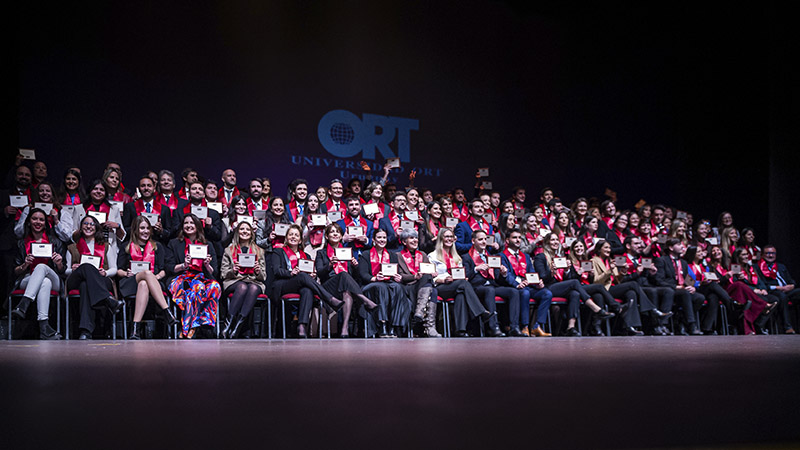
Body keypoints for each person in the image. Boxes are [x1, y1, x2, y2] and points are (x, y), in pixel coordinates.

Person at [271, 224, 343, 338]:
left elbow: (310, 274)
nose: (293, 237)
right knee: (303, 277)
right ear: (286, 238)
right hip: (283, 284)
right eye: (291, 235)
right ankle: (328, 298)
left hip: (300, 285)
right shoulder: (278, 252)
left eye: (296, 235)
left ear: (300, 240)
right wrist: (290, 273)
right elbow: (276, 271)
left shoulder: (307, 255)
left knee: (307, 290)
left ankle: (302, 325)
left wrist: (313, 275)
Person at [538, 233, 613, 336]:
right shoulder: (541, 257)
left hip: (561, 287)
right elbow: (542, 277)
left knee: (575, 293)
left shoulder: (561, 258)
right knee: (575, 283)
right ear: (546, 243)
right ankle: (595, 308)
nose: (555, 242)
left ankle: (571, 327)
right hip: (548, 288)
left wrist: (567, 271)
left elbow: (566, 279)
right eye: (552, 240)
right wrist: (551, 272)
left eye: (557, 240)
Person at [65, 214, 125, 339]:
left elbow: (114, 268)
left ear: (97, 228)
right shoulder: (72, 247)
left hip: (101, 279)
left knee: (85, 285)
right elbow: (65, 271)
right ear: (80, 228)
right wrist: (73, 269)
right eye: (85, 223)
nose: (88, 226)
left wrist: (105, 272)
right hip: (76, 278)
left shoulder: (106, 246)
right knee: (85, 267)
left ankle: (85, 331)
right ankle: (108, 299)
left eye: (92, 224)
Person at [117, 216, 176, 339]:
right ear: (135, 230)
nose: (145, 231)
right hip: (130, 281)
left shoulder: (158, 246)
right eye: (142, 228)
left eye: (148, 228)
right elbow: (118, 270)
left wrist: (159, 275)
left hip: (153, 284)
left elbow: (164, 268)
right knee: (147, 274)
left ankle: (134, 330)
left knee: (144, 284)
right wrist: (125, 273)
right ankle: (166, 311)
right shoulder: (126, 247)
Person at [10, 208, 66, 339]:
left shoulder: (55, 242)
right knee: (44, 282)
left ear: (45, 223)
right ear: (29, 221)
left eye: (41, 219)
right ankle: (44, 327)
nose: (38, 222)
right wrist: (25, 264)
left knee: (42, 268)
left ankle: (24, 303)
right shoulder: (21, 243)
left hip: (54, 280)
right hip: (28, 279)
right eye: (34, 218)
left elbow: (62, 270)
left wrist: (58, 263)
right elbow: (15, 270)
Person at [315, 223, 378, 338]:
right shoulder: (321, 253)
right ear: (327, 237)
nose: (335, 234)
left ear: (341, 236)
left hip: (346, 287)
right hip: (329, 288)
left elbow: (355, 276)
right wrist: (329, 265)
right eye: (332, 232)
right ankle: (363, 298)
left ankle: (344, 327)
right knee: (343, 275)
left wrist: (355, 266)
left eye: (337, 232)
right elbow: (319, 273)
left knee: (346, 290)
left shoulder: (348, 252)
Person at [428, 228, 492, 337]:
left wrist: (463, 277)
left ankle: (460, 330)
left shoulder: (457, 256)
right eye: (446, 236)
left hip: (456, 285)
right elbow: (431, 277)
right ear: (440, 239)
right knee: (464, 285)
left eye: (451, 237)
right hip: (441, 286)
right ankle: (481, 312)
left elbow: (461, 273)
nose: (449, 239)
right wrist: (443, 279)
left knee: (461, 294)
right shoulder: (432, 256)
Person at [166, 214, 221, 339]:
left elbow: (214, 272)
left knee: (214, 286)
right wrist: (184, 265)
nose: (189, 225)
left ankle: (198, 326)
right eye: (186, 223)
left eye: (192, 223)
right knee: (196, 287)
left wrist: (207, 265)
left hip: (202, 277)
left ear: (198, 226)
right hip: (181, 278)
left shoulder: (208, 244)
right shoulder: (174, 243)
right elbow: (170, 267)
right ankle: (191, 328)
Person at [463, 230, 519, 337]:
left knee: (513, 292)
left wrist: (503, 274)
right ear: (473, 241)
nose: (484, 242)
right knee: (490, 290)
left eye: (485, 239)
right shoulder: (467, 257)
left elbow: (498, 280)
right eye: (480, 239)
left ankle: (514, 327)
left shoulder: (492, 257)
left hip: (492, 285)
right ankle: (493, 327)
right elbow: (464, 277)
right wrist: (475, 269)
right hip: (476, 287)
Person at [707, 245, 771, 335]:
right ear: (711, 254)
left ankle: (747, 330)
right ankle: (762, 305)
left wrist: (740, 277)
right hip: (722, 293)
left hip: (733, 291)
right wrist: (725, 278)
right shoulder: (710, 267)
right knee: (739, 285)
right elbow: (714, 284)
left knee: (744, 302)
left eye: (718, 250)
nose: (716, 252)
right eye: (713, 251)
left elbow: (734, 280)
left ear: (722, 252)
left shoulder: (728, 266)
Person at [357, 228, 408, 337]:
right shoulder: (366, 254)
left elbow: (396, 272)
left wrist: (398, 277)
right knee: (381, 287)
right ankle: (382, 324)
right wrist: (375, 278)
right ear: (374, 240)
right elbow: (363, 274)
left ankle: (393, 326)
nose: (382, 240)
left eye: (384, 237)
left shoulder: (392, 255)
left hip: (388, 282)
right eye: (379, 237)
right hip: (370, 284)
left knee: (398, 287)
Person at [500, 229, 552, 337]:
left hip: (528, 286)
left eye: (519, 238)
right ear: (507, 240)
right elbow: (507, 274)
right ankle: (524, 326)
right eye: (514, 237)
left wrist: (537, 282)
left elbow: (531, 273)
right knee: (525, 293)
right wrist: (516, 284)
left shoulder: (526, 257)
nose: (518, 240)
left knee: (547, 293)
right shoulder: (502, 256)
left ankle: (536, 326)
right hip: (513, 288)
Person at [219, 221, 267, 339]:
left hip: (254, 281)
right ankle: (228, 324)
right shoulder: (229, 250)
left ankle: (237, 327)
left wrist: (257, 271)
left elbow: (264, 276)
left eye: (247, 229)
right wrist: (233, 270)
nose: (244, 232)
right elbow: (223, 274)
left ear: (251, 233)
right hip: (234, 281)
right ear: (237, 232)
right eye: (242, 229)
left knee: (253, 287)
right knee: (242, 287)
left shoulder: (259, 251)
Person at [394, 228, 440, 337]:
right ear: (404, 242)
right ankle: (429, 326)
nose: (415, 240)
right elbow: (400, 275)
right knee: (430, 287)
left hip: (422, 287)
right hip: (408, 287)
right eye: (411, 238)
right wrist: (414, 276)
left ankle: (421, 313)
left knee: (431, 286)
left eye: (416, 238)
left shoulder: (423, 254)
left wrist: (433, 273)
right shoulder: (397, 256)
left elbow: (429, 270)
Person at [655, 238, 705, 335]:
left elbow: (687, 279)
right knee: (685, 293)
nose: (682, 246)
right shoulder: (661, 260)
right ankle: (691, 325)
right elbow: (659, 280)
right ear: (671, 248)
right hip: (669, 290)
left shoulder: (683, 263)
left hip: (682, 290)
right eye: (679, 244)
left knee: (700, 297)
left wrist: (692, 287)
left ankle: (682, 320)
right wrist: (675, 287)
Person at [756, 244, 798, 334]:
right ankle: (787, 327)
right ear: (762, 254)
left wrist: (792, 286)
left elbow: (791, 280)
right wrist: (777, 287)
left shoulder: (781, 266)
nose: (770, 255)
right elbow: (761, 284)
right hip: (772, 291)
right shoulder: (757, 267)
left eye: (773, 253)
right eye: (768, 253)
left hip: (787, 291)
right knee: (782, 297)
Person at [122, 175, 170, 243]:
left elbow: (169, 233)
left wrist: (161, 230)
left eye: (149, 185)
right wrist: (137, 228)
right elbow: (125, 230)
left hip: (157, 246)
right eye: (143, 186)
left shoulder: (164, 209)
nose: (146, 188)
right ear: (139, 189)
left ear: (154, 188)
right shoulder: (130, 207)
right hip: (135, 245)